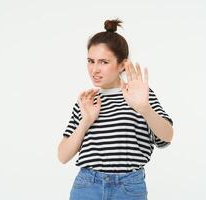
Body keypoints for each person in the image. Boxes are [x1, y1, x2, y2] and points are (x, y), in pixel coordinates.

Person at [58, 18, 174, 200]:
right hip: (87, 186)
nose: (94, 69)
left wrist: (144, 108)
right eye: (91, 61)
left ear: (122, 64)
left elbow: (166, 137)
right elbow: (63, 156)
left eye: (104, 62)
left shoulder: (139, 94)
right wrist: (86, 120)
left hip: (128, 187)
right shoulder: (88, 101)